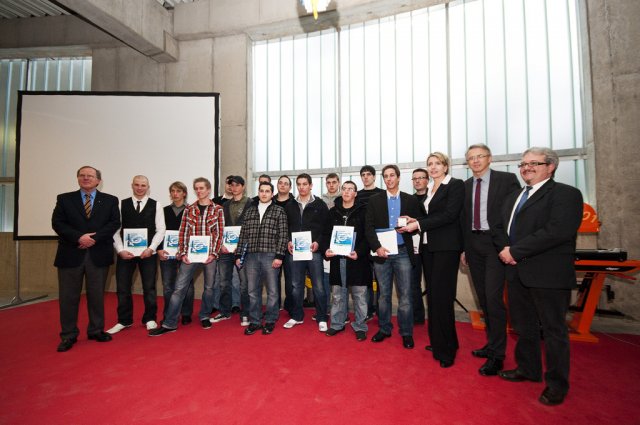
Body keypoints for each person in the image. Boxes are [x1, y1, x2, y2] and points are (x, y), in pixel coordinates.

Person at [495, 147, 582, 406]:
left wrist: (515, 251)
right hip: (515, 271)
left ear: (551, 166)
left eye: (534, 163)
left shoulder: (566, 194)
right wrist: (505, 250)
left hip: (548, 273)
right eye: (523, 164)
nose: (526, 168)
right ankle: (528, 368)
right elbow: (499, 227)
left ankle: (556, 384)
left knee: (553, 330)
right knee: (523, 326)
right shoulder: (513, 197)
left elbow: (557, 231)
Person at [460, 144, 520, 376]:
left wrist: (510, 245)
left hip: (496, 246)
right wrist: (464, 249)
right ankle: (492, 343)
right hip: (473, 245)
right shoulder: (465, 186)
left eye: (480, 156)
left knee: (493, 299)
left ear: (489, 158)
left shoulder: (506, 180)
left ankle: (497, 355)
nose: (475, 161)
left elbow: (516, 214)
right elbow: (464, 219)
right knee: (484, 299)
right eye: (471, 158)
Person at [402, 152, 464, 367]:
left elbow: (449, 215)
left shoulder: (455, 185)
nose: (434, 167)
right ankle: (440, 342)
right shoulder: (430, 188)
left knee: (443, 299)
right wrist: (415, 219)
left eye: (438, 163)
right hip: (429, 248)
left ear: (446, 166)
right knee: (434, 298)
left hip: (447, 248)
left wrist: (418, 224)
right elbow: (430, 217)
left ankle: (447, 350)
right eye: (430, 164)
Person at [52, 166, 120, 352]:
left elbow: (114, 223)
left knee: (97, 295)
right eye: (82, 175)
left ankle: (96, 330)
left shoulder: (110, 200)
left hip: (98, 254)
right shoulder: (64, 199)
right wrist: (79, 238)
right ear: (77, 178)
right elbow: (57, 223)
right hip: (70, 254)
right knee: (68, 297)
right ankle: (68, 334)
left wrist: (93, 239)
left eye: (90, 176)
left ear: (98, 180)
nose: (86, 178)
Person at [149, 177, 224, 335]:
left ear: (208, 190)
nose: (199, 191)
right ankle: (170, 323)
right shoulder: (189, 209)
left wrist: (213, 253)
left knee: (209, 288)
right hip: (190, 255)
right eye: (196, 188)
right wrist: (183, 253)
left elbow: (219, 233)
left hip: (210, 256)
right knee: (179, 288)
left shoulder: (218, 209)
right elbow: (183, 232)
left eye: (201, 188)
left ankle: (204, 315)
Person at [364, 164, 423, 349]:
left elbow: (420, 224)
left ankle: (406, 332)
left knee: (405, 295)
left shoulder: (410, 200)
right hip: (382, 253)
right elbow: (368, 227)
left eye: (392, 175)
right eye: (386, 176)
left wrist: (413, 225)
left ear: (398, 178)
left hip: (403, 252)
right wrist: (377, 247)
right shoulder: (374, 200)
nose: (389, 179)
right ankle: (384, 328)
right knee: (383, 295)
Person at [107, 175, 166, 334]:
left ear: (148, 187)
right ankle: (124, 320)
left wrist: (151, 248)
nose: (140, 188)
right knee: (122, 287)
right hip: (126, 254)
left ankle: (150, 318)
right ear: (132, 185)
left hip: (148, 254)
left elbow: (161, 229)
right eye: (137, 185)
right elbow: (115, 230)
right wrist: (120, 250)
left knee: (149, 287)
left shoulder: (156, 205)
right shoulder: (121, 204)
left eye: (143, 185)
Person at [236, 182, 288, 335]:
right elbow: (243, 235)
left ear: (272, 194)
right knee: (252, 291)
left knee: (272, 291)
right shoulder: (250, 211)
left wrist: (279, 256)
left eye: (267, 191)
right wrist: (238, 254)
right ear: (258, 192)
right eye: (261, 191)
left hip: (270, 255)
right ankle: (255, 321)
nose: (264, 194)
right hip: (251, 256)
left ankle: (270, 320)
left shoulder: (279, 211)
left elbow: (283, 235)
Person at [323, 180, 371, 341]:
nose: (347, 191)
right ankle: (337, 323)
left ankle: (360, 326)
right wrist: (326, 249)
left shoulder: (363, 211)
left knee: (359, 295)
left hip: (357, 260)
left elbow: (368, 236)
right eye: (344, 188)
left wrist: (359, 252)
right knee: (337, 295)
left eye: (351, 189)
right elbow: (325, 235)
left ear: (355, 193)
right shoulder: (332, 212)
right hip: (337, 259)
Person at [283, 173, 330, 331]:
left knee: (318, 286)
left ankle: (322, 317)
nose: (302, 187)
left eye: (305, 184)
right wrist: (288, 241)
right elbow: (285, 227)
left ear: (311, 185)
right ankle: (297, 316)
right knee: (296, 285)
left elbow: (326, 229)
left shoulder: (320, 204)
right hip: (295, 251)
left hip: (314, 251)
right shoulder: (290, 205)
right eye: (299, 184)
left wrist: (318, 242)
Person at [211, 175, 253, 326]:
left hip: (243, 250)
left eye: (237, 185)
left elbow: (252, 227)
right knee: (224, 282)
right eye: (231, 185)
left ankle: (246, 313)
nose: (234, 188)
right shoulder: (224, 205)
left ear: (243, 186)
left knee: (244, 284)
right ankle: (224, 311)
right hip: (225, 249)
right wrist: (220, 244)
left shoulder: (251, 203)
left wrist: (243, 245)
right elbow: (219, 227)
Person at [157, 181, 194, 325]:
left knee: (187, 286)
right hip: (166, 253)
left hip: (186, 253)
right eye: (172, 191)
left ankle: (186, 313)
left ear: (184, 193)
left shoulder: (191, 210)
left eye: (178, 191)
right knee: (168, 286)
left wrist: (187, 250)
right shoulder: (163, 211)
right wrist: (159, 249)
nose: (175, 194)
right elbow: (158, 232)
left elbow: (194, 232)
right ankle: (169, 314)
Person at [357, 165, 385, 321]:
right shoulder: (358, 195)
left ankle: (382, 311)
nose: (366, 177)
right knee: (366, 278)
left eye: (368, 174)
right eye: (363, 174)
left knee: (382, 279)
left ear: (374, 177)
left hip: (379, 240)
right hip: (363, 242)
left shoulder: (382, 194)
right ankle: (367, 310)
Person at [273, 175, 295, 312]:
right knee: (273, 278)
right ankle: (274, 306)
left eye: (286, 183)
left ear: (290, 187)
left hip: (290, 246)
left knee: (290, 279)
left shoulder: (295, 203)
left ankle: (290, 306)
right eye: (280, 183)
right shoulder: (270, 202)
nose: (282, 185)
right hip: (272, 246)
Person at [411, 168, 429, 325]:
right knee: (413, 282)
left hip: (432, 245)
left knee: (433, 282)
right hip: (414, 247)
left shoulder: (434, 197)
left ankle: (436, 315)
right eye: (415, 178)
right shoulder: (408, 200)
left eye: (421, 177)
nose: (417, 181)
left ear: (427, 180)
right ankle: (417, 315)